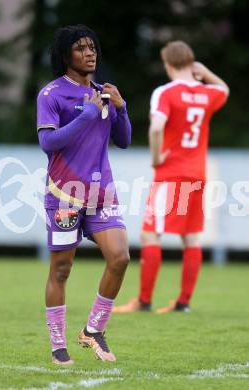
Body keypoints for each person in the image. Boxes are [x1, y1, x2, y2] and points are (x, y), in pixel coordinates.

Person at [36, 25, 132, 364]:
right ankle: (58, 344)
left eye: (92, 47)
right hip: (64, 194)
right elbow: (48, 143)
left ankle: (93, 330)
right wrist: (88, 114)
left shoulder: (103, 92)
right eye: (80, 48)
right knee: (61, 271)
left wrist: (121, 109)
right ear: (66, 55)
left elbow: (123, 140)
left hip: (101, 192)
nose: (89, 53)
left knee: (120, 257)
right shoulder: (51, 95)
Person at [113, 40, 229, 314]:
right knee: (191, 238)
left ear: (168, 64)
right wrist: (207, 73)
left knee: (150, 234)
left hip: (172, 173)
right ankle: (184, 302)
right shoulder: (206, 93)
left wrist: (155, 158)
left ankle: (143, 300)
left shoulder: (165, 93)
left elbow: (156, 129)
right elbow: (223, 89)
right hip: (198, 174)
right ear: (191, 63)